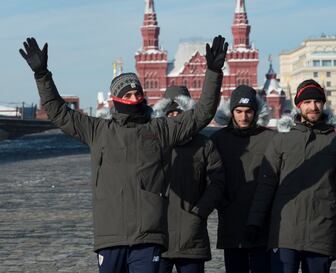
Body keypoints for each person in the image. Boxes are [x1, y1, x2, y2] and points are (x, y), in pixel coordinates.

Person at [19, 36, 228, 273]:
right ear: (116, 100)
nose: (134, 100)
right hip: (111, 235)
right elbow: (59, 112)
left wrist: (213, 72)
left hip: (147, 236)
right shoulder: (98, 131)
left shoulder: (158, 130)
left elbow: (201, 114)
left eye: (137, 94)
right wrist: (42, 75)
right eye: (127, 96)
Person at [246, 79, 336, 273]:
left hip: (321, 231)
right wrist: (254, 221)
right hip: (284, 233)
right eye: (307, 102)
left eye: (317, 101)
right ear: (299, 106)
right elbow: (266, 185)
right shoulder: (281, 141)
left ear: (323, 104)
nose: (313, 107)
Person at [152, 85, 225, 273]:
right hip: (157, 235)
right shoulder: (152, 144)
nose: (175, 118)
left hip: (191, 235)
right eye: (171, 113)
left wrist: (200, 211)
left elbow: (217, 182)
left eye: (180, 112)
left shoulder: (204, 144)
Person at [211, 85, 275, 273]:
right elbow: (210, 176)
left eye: (248, 111)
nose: (243, 117)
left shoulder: (271, 138)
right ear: (231, 112)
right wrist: (222, 203)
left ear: (255, 112)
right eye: (238, 111)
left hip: (263, 223)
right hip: (231, 221)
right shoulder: (218, 140)